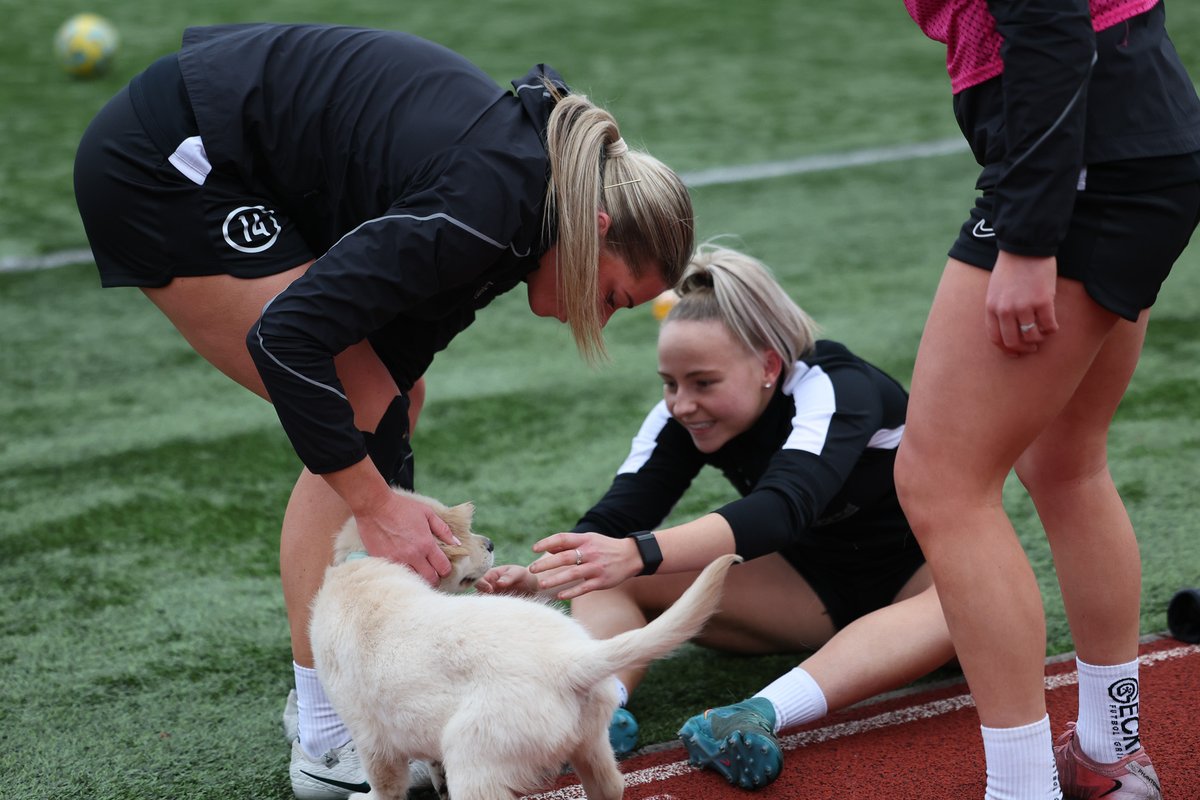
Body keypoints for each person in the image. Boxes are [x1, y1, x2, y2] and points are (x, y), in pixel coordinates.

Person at [72, 23, 694, 800]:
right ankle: (327, 733)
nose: (591, 322)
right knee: (356, 400)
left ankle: (371, 691)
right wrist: (377, 507)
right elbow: (287, 340)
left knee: (387, 396)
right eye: (611, 298)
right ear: (597, 230)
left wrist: (397, 539)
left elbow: (394, 380)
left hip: (244, 157)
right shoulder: (489, 207)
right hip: (170, 158)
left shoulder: (523, 218)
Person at [479, 244, 956, 790]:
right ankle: (598, 712)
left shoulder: (834, 385)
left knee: (967, 602)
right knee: (599, 568)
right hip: (808, 596)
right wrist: (540, 580)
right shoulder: (683, 414)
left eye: (703, 383)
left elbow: (782, 511)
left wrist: (637, 551)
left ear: (768, 367)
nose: (682, 403)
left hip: (919, 582)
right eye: (670, 383)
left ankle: (756, 714)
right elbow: (616, 514)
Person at [894, 2, 1200, 799]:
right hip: (1135, 127)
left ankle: (1022, 789)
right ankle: (1111, 755)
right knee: (1066, 461)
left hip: (1082, 147)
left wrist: (1029, 237)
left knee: (940, 482)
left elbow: (1051, 20)